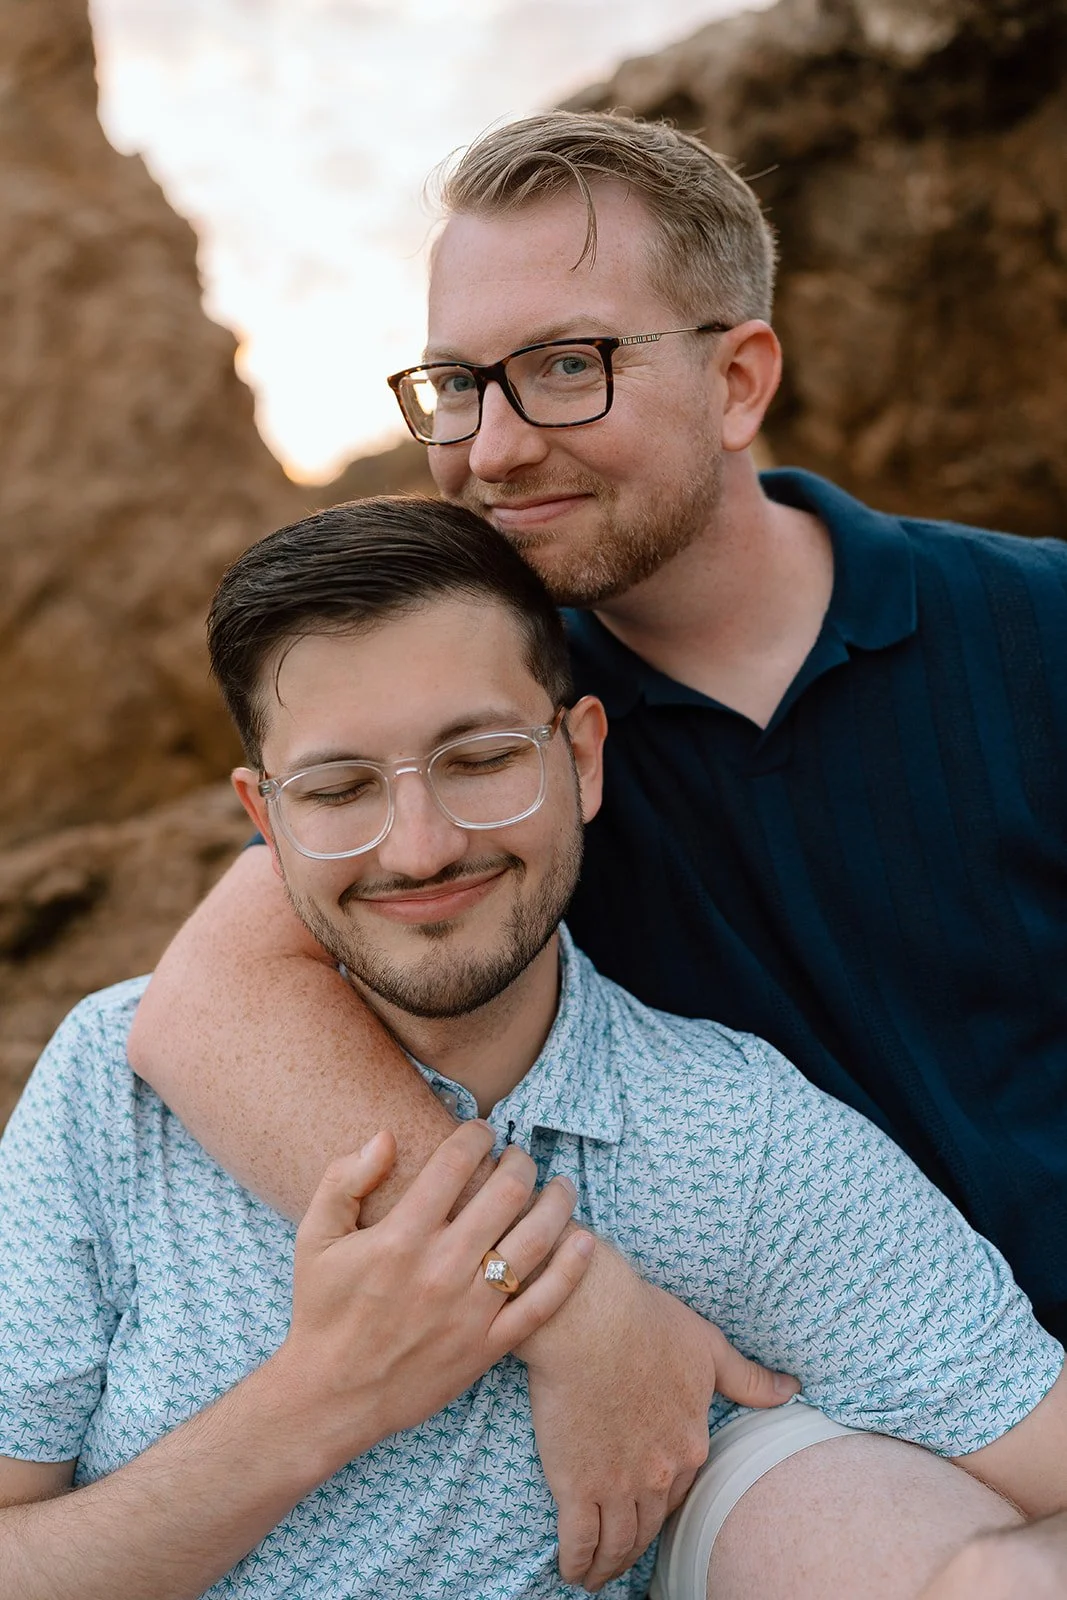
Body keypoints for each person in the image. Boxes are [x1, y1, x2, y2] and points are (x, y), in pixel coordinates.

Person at [127, 112, 1067, 1590]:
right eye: (457, 386)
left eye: (567, 367)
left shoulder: (1037, 631)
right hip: (793, 1435)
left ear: (738, 377)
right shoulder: (497, 743)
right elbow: (206, 1007)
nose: (491, 449)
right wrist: (564, 1299)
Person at [5, 497, 1065, 1600]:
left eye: (477, 759)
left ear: (584, 757)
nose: (419, 848)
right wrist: (323, 1398)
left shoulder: (730, 1145)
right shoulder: (112, 1091)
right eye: (337, 788)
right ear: (263, 820)